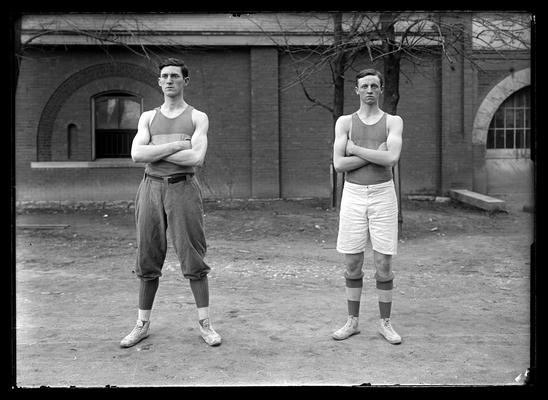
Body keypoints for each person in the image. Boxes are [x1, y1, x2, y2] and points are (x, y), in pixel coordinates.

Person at [120, 57, 221, 348]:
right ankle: (142, 325)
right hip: (150, 189)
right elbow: (137, 156)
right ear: (159, 81)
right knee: (147, 256)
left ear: (184, 81)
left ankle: (205, 325)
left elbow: (195, 159)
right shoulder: (148, 118)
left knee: (193, 256)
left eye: (175, 76)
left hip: (183, 190)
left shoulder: (197, 117)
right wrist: (177, 144)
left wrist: (154, 149)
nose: (169, 80)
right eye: (164, 76)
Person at [331, 68, 403, 344]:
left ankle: (385, 323)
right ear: (356, 90)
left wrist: (356, 150)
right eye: (365, 86)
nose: (370, 90)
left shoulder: (393, 121)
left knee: (383, 262)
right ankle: (353, 321)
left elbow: (392, 158)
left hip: (384, 193)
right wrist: (376, 154)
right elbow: (339, 164)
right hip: (353, 193)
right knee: (352, 261)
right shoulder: (345, 122)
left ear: (381, 89)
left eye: (375, 85)